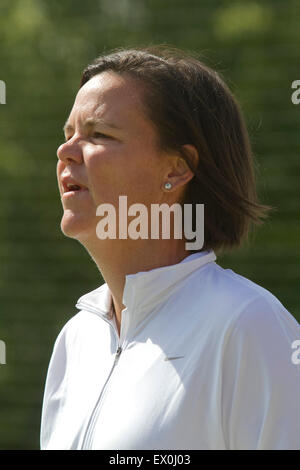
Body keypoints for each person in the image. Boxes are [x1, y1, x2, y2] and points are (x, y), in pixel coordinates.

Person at [40, 46, 300, 450]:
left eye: (99, 135)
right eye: (68, 134)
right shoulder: (75, 341)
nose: (66, 150)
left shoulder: (249, 326)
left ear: (176, 168)